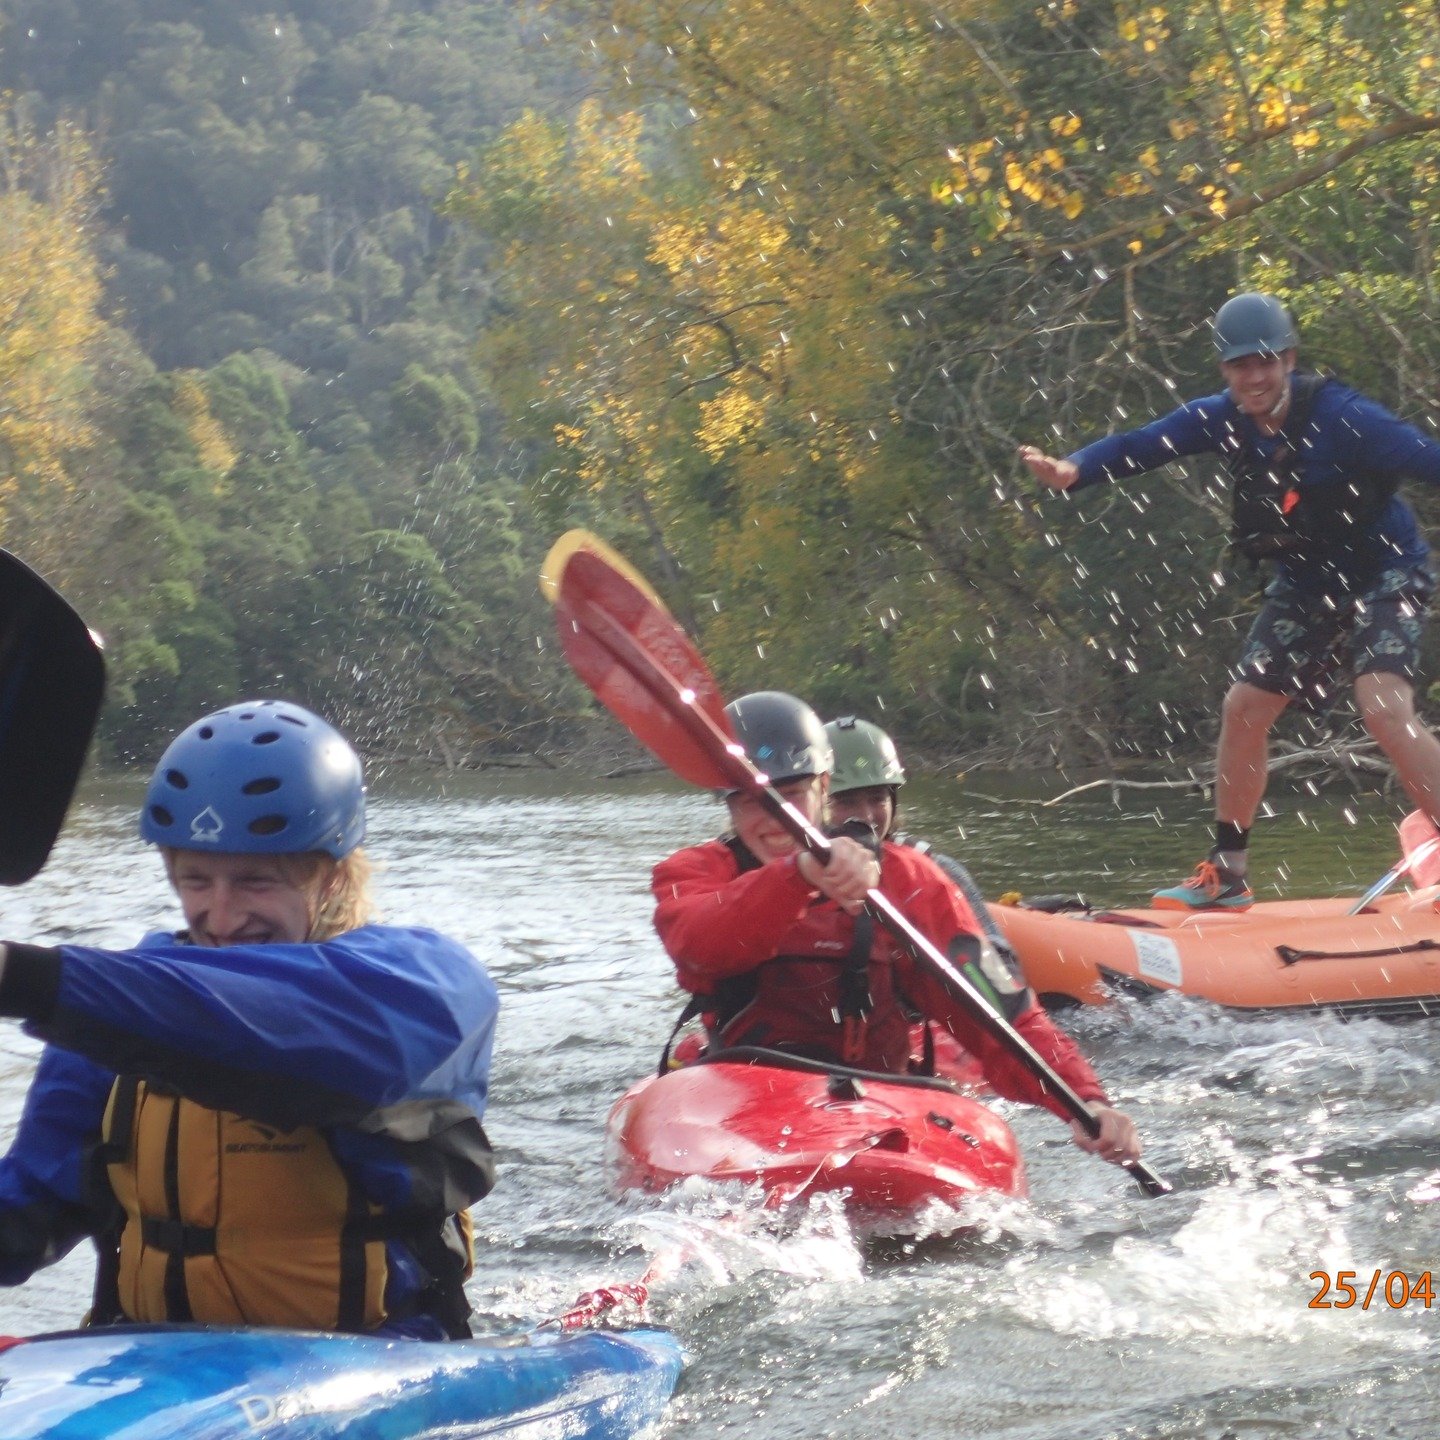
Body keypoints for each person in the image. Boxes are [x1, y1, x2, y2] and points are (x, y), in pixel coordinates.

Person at [0, 699, 498, 1339]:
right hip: (154, 1376)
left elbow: (283, 1026)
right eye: (196, 879)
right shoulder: (115, 1016)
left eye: (256, 882)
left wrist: (21, 976)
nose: (223, 916)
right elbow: (25, 1216)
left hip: (373, 1367)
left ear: (331, 877)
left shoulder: (426, 986)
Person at [1019, 290, 1440, 910]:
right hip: (1307, 581)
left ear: (1290, 359)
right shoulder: (1220, 417)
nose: (1256, 376)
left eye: (1267, 362)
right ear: (1226, 371)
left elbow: (1429, 460)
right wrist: (1074, 470)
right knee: (1243, 708)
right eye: (1242, 365)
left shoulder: (1348, 418)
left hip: (1386, 570)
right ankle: (1229, 874)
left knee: (1380, 705)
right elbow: (1144, 442)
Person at [651, 691, 1141, 1167]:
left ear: (824, 787)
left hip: (881, 1100)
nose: (775, 821)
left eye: (793, 794)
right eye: (753, 801)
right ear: (729, 807)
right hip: (745, 1102)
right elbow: (701, 948)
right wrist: (796, 875)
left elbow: (1002, 1011)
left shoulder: (912, 880)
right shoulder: (693, 874)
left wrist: (1085, 1099)